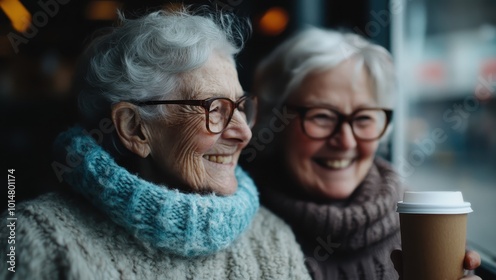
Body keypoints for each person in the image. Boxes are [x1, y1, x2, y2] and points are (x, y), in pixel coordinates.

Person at [0, 7, 312, 279]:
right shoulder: (31, 239)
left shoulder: (272, 239)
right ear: (134, 128)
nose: (244, 133)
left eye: (241, 107)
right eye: (216, 109)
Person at [244, 27, 481, 279]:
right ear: (274, 120)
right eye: (322, 116)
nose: (346, 142)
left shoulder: (418, 225)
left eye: (364, 118)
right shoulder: (240, 230)